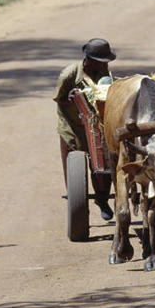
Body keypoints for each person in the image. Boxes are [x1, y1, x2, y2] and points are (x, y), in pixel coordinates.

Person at [54, 38, 116, 221]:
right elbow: (59, 99)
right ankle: (78, 206)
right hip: (73, 127)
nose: (104, 65)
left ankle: (102, 200)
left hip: (96, 125)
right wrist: (70, 96)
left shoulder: (103, 71)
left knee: (102, 166)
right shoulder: (69, 74)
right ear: (89, 59)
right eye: (100, 61)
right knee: (74, 170)